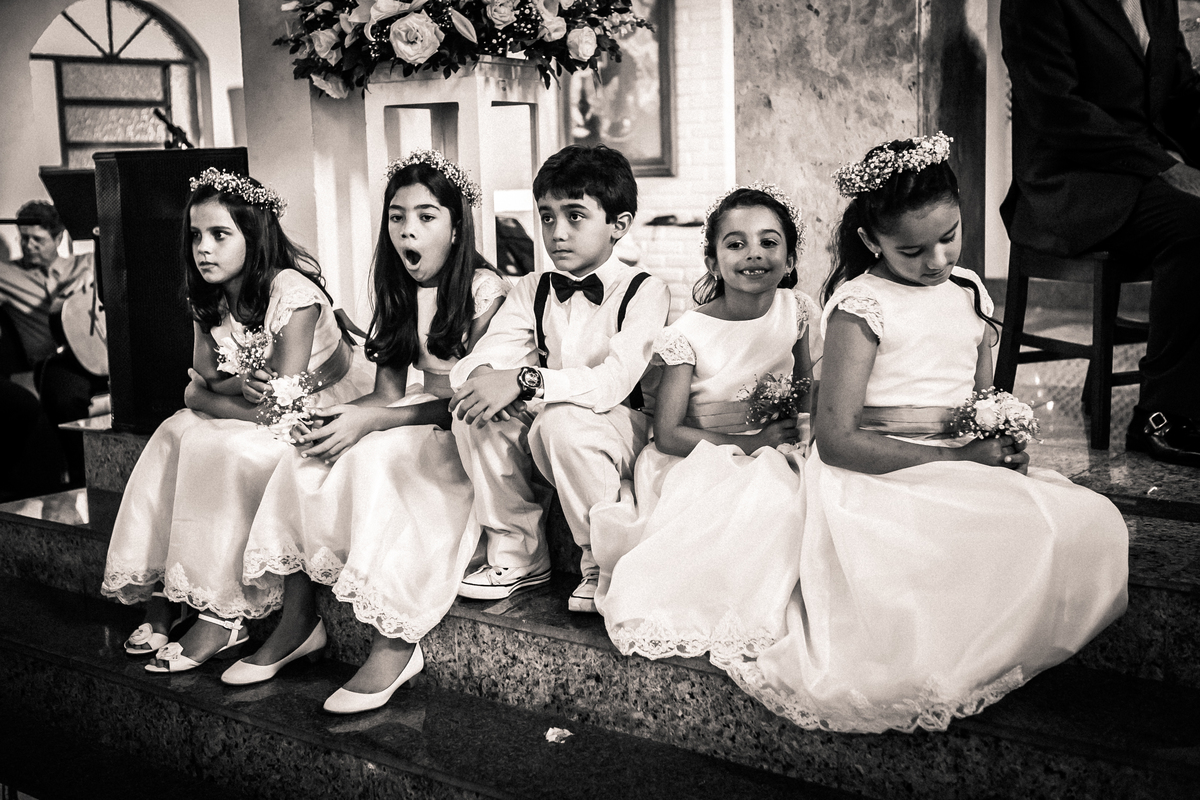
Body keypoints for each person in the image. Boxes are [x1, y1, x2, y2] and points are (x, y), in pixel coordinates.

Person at [723, 134, 1128, 734]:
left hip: (957, 456)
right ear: (871, 242)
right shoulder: (862, 304)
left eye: (950, 236)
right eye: (911, 250)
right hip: (874, 470)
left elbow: (979, 396)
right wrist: (964, 458)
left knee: (1086, 522)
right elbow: (836, 440)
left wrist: (999, 436)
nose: (936, 260)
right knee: (938, 543)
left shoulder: (967, 290)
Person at [230, 151, 507, 714]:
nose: (409, 230)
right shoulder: (396, 287)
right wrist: (338, 419)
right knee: (303, 458)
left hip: (460, 430)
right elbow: (384, 393)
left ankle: (395, 642)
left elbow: (457, 400)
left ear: (457, 225)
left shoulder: (485, 291)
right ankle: (298, 620)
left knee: (377, 461)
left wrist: (372, 422)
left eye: (427, 217)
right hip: (406, 413)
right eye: (397, 216)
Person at [100, 168, 374, 673]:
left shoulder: (292, 293)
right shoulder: (212, 293)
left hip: (315, 407)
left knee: (223, 447)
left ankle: (222, 612)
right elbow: (205, 371)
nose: (203, 248)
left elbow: (278, 405)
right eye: (196, 235)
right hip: (257, 407)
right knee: (171, 434)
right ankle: (169, 589)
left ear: (254, 235)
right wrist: (207, 392)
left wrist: (204, 398)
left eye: (220, 234)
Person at [590, 184, 817, 667]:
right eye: (735, 244)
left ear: (791, 257)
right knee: (766, 501)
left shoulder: (795, 312)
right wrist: (749, 443)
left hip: (775, 446)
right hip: (699, 454)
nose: (754, 254)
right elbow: (668, 434)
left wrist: (801, 437)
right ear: (713, 261)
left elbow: (805, 392)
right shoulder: (686, 334)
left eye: (769, 242)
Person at [449, 144, 672, 612]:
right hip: (554, 422)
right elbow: (480, 360)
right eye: (547, 218)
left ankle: (603, 563)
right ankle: (519, 553)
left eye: (575, 216)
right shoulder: (531, 287)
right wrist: (493, 379)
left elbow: (613, 382)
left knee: (561, 422)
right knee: (474, 412)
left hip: (621, 427)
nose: (557, 233)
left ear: (619, 225)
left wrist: (528, 381)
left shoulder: (644, 290)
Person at [1000, 0, 1200, 465]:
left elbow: (1182, 97)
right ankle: (1161, 416)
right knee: (1194, 224)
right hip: (1071, 182)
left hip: (1139, 173)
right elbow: (1057, 110)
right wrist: (1167, 166)